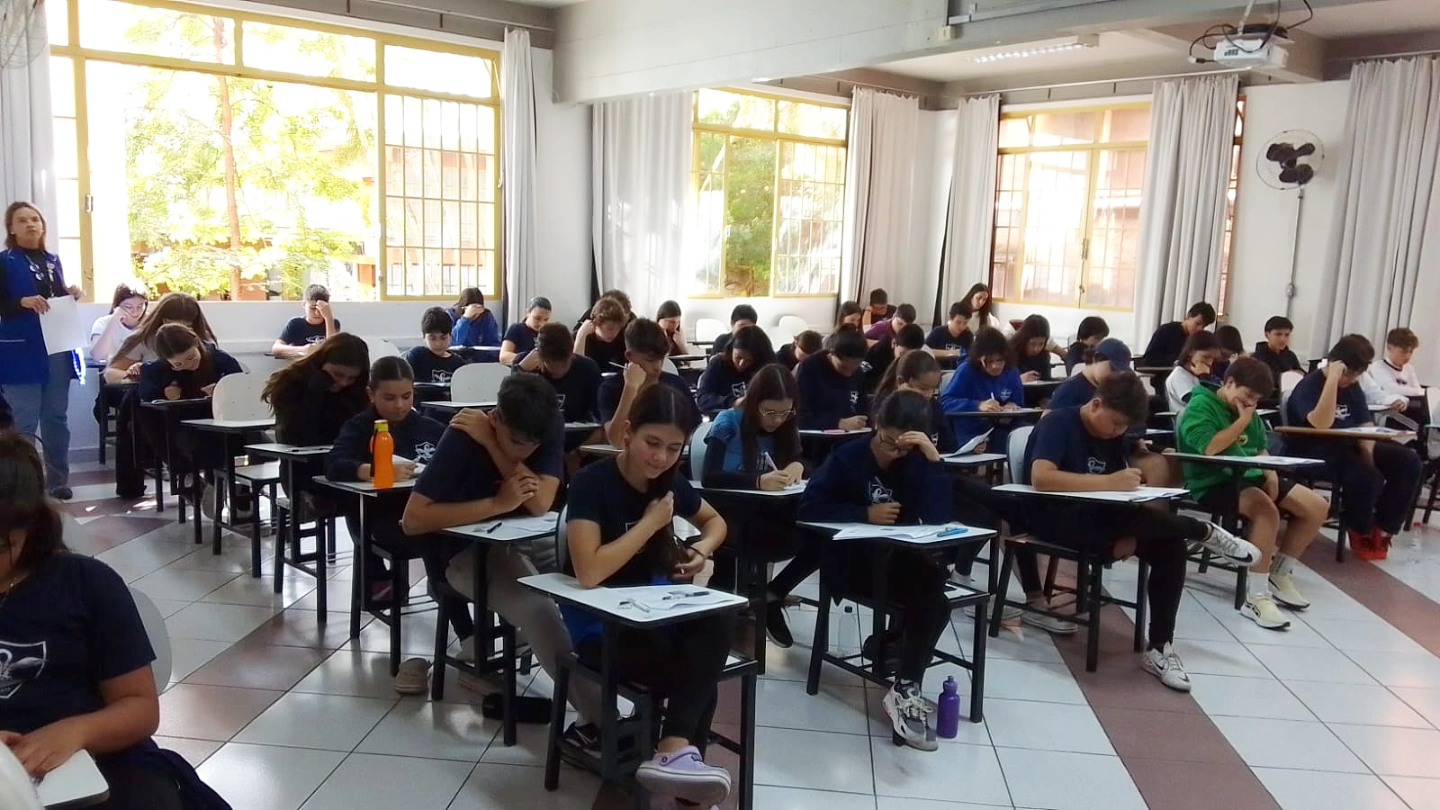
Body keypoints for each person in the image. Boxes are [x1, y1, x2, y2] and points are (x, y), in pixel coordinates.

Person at [0, 432, 230, 810]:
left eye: (1, 545)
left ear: (31, 525)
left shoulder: (84, 584)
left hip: (96, 755)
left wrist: (77, 730)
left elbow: (139, 707)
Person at [401, 375, 606, 742]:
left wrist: (496, 446)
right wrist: (497, 504)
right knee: (538, 610)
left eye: (533, 445)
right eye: (515, 441)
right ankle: (603, 722)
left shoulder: (544, 424)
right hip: (469, 553)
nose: (525, 452)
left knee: (597, 587)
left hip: (533, 537)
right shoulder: (463, 434)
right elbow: (413, 520)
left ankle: (641, 703)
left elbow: (539, 503)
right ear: (495, 417)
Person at [1023, 373, 1259, 691]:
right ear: (1096, 404)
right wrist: (1109, 483)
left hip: (1103, 520)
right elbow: (1041, 478)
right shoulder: (1058, 423)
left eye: (1125, 427)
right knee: (1130, 522)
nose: (1118, 432)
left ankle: (1160, 648)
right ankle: (1201, 530)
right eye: (1116, 423)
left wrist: (1136, 473)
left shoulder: (1115, 435)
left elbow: (1119, 480)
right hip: (1053, 518)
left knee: (1170, 546)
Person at [565, 383, 734, 805]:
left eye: (674, 448)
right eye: (652, 443)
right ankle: (680, 770)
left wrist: (700, 549)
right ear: (628, 433)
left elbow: (716, 523)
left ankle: (674, 753)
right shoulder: (590, 483)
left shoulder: (671, 480)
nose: (660, 458)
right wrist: (651, 522)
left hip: (654, 612)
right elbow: (589, 572)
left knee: (719, 620)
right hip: (601, 624)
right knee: (698, 672)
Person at [798, 390, 954, 750]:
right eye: (887, 441)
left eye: (903, 447)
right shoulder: (848, 457)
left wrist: (933, 461)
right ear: (877, 426)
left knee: (935, 596)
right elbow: (809, 508)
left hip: (897, 563)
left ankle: (904, 684)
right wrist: (863, 514)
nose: (893, 452)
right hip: (852, 565)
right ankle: (901, 669)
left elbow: (939, 517)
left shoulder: (916, 462)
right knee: (933, 600)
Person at [1177, 357, 1329, 626]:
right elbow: (1211, 447)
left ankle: (1279, 573)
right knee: (1266, 511)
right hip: (1213, 481)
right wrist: (1242, 420)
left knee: (1316, 506)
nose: (1250, 403)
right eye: (1247, 395)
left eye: (1256, 399)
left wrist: (1270, 473)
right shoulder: (1200, 406)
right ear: (1229, 383)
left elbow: (1260, 447)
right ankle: (1257, 597)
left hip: (1251, 474)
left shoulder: (1249, 410)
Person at [1284, 335, 1424, 560]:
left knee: (1408, 461)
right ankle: (1360, 528)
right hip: (1316, 449)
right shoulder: (1309, 386)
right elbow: (1320, 424)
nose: (1351, 380)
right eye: (1348, 374)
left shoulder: (1353, 386)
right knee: (1367, 476)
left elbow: (1365, 424)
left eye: (1355, 375)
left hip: (1349, 444)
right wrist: (1332, 381)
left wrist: (1369, 452)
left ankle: (1384, 526)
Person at [701, 364, 811, 646]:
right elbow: (710, 476)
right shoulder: (728, 421)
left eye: (785, 412)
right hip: (730, 511)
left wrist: (799, 465)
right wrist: (758, 481)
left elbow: (801, 461)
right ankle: (723, 620)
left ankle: (773, 594)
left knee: (822, 537)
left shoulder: (786, 428)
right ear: (754, 402)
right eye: (769, 412)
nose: (777, 420)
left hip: (770, 510)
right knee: (763, 542)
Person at [327, 357, 445, 604]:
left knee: (460, 539)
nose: (399, 405)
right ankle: (442, 589)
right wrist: (375, 470)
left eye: (406, 396)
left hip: (427, 512)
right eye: (389, 398)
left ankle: (448, 592)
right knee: (436, 541)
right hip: (380, 516)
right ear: (371, 394)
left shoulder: (431, 428)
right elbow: (333, 465)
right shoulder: (359, 427)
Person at [0, 202, 84, 499]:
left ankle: (58, 481)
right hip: (20, 353)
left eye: (35, 219)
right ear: (11, 228)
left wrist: (70, 293)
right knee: (24, 422)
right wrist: (21, 302)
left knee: (56, 418)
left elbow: (55, 299)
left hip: (56, 349)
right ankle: (25, 486)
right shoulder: (4, 261)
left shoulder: (52, 260)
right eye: (22, 220)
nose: (30, 224)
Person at [599, 318, 700, 446]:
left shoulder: (676, 384)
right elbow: (616, 440)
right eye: (650, 360)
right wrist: (630, 388)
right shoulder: (611, 388)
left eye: (661, 359)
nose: (657, 367)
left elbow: (695, 430)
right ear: (629, 356)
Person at [262, 333, 370, 448]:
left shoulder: (355, 389)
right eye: (338, 374)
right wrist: (316, 391)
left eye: (351, 378)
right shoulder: (291, 382)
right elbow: (297, 436)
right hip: (299, 455)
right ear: (321, 362)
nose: (343, 382)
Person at [516, 323, 603, 452]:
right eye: (551, 365)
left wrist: (578, 454)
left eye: (564, 364)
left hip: (576, 441)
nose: (559, 371)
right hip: (535, 442)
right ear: (539, 356)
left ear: (572, 355)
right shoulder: (525, 367)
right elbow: (510, 415)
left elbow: (602, 422)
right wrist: (519, 371)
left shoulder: (587, 368)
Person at [940, 327, 1024, 453]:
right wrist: (978, 405)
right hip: (971, 431)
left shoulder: (1011, 372)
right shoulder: (966, 370)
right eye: (989, 361)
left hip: (1001, 429)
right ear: (979, 358)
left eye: (1000, 360)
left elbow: (1019, 403)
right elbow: (945, 403)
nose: (995, 366)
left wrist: (1012, 406)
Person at [104, 292, 218, 384]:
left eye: (187, 327)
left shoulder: (204, 339)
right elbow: (111, 373)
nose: (179, 333)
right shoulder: (143, 340)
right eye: (173, 325)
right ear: (162, 320)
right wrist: (138, 378)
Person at [875, 351, 957, 454]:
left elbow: (950, 446)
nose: (929, 394)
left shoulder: (934, 406)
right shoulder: (888, 408)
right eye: (923, 388)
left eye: (934, 389)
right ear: (901, 382)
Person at [795, 327, 869, 431]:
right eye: (843, 367)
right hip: (817, 435)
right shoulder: (810, 368)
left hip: (851, 433)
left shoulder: (858, 373)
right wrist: (838, 423)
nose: (849, 373)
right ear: (832, 353)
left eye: (855, 367)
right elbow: (799, 416)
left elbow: (862, 408)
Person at [696, 324, 774, 413]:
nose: (741, 364)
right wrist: (733, 402)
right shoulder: (718, 364)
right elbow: (703, 399)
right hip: (724, 416)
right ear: (731, 350)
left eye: (749, 360)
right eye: (738, 357)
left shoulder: (765, 369)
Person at [401, 307, 470, 385]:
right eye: (432, 338)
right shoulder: (416, 356)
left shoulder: (458, 364)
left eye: (443, 338)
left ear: (450, 337)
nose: (438, 343)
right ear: (424, 337)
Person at [271, 284, 340, 360]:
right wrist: (303, 349)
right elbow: (276, 349)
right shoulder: (295, 324)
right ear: (304, 304)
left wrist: (328, 317)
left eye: (321, 309)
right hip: (300, 364)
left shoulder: (332, 322)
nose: (317, 313)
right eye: (312, 308)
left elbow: (333, 350)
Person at [1140, 302, 1215, 368]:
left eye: (1204, 326)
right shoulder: (1167, 330)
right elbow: (1149, 358)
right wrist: (1177, 361)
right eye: (1197, 323)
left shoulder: (1197, 339)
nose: (1200, 329)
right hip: (1165, 374)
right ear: (1189, 316)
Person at [88, 283, 148, 364]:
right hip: (112, 369)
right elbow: (97, 356)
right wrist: (114, 320)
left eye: (140, 306)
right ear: (117, 306)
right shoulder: (102, 323)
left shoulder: (150, 322)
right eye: (128, 307)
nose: (135, 311)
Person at [1165, 331, 1222, 414]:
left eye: (1213, 359)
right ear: (1191, 351)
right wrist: (1204, 378)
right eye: (1206, 357)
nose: (1210, 363)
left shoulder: (1199, 374)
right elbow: (1199, 403)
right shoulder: (1179, 376)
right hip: (1190, 418)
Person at [575, 296, 629, 371]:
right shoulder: (582, 337)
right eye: (610, 328)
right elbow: (577, 369)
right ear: (596, 323)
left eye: (618, 329)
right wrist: (581, 336)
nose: (614, 333)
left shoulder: (622, 338)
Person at [498, 296, 552, 365]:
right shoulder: (516, 329)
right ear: (528, 313)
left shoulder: (548, 334)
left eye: (546, 320)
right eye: (537, 318)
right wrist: (528, 359)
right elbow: (503, 357)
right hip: (519, 370)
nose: (541, 323)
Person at [1252, 316, 1303, 388]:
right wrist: (1289, 376)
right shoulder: (1257, 357)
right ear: (1267, 335)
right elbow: (1263, 380)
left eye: (1287, 335)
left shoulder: (1290, 356)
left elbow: (1302, 375)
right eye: (1278, 334)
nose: (1283, 339)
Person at [1010, 314, 1057, 382]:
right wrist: (1018, 379)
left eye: (1041, 344)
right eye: (1032, 343)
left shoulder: (1044, 355)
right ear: (1024, 339)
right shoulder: (1009, 352)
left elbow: (1046, 380)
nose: (1036, 349)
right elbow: (1000, 382)